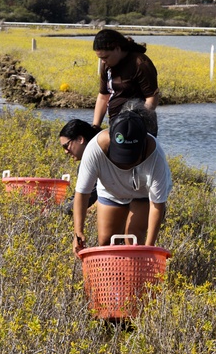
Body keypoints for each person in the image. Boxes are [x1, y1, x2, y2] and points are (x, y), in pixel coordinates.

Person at [72, 102, 171, 256]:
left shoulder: (155, 155)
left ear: (143, 142)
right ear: (111, 139)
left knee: (134, 240)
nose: (126, 163)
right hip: (112, 191)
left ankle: (134, 276)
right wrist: (78, 231)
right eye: (121, 156)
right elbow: (82, 193)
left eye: (132, 157)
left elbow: (157, 204)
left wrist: (149, 249)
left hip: (143, 193)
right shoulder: (95, 149)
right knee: (105, 243)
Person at [91, 29, 159, 136]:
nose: (103, 61)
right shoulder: (106, 65)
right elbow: (103, 96)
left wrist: (135, 122)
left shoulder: (140, 63)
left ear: (118, 49)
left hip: (140, 126)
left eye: (105, 57)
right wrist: (95, 126)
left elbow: (152, 98)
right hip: (116, 124)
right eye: (100, 58)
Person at [58, 119, 102, 208]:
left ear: (80, 139)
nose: (66, 151)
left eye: (66, 146)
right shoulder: (86, 162)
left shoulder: (99, 158)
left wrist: (61, 211)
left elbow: (89, 196)